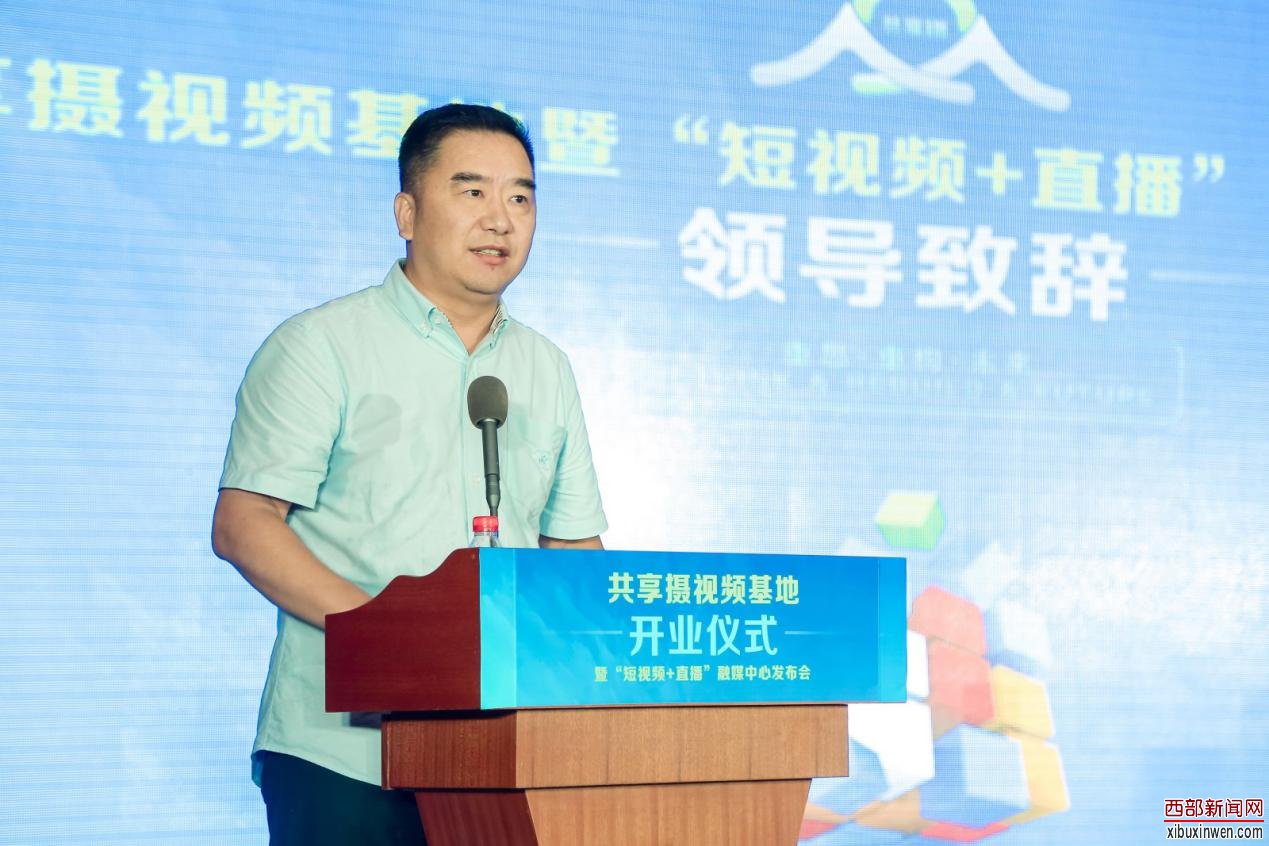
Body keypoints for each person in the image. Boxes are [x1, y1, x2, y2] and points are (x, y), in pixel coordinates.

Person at [211, 103, 607, 845]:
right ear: (407, 212)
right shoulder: (321, 345)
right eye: (472, 191)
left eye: (520, 198)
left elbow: (573, 548)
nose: (500, 219)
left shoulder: (546, 368)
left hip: (505, 753)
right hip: (342, 753)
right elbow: (244, 524)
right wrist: (390, 641)